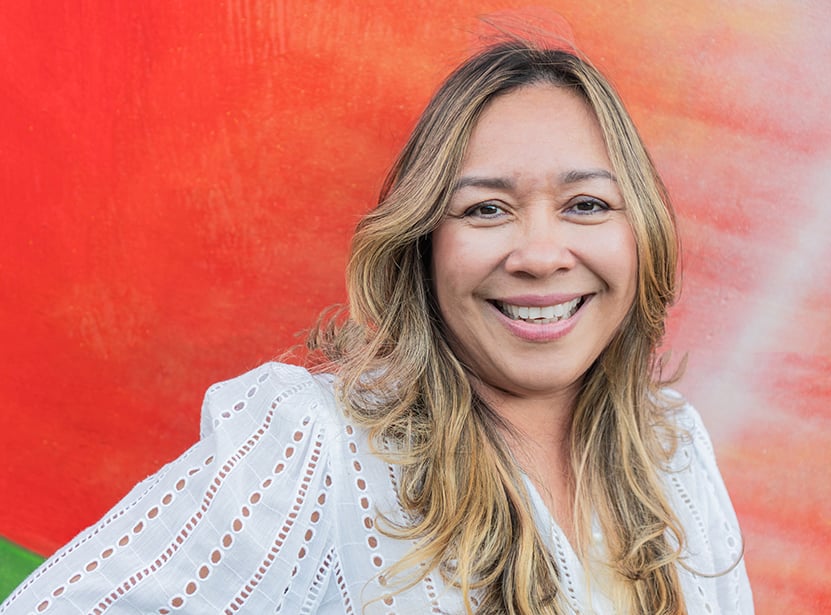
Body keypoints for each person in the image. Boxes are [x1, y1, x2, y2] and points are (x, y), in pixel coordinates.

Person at [1, 38, 753, 615]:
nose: (540, 255)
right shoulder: (317, 445)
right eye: (485, 208)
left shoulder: (673, 448)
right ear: (423, 247)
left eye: (586, 204)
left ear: (640, 233)